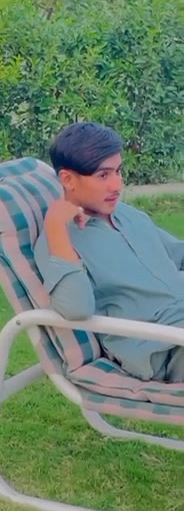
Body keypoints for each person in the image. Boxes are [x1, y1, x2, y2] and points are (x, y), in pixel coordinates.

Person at [34, 122, 184, 382]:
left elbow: (176, 254)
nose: (116, 185)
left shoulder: (128, 215)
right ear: (68, 179)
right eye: (103, 175)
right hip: (163, 347)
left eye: (118, 171)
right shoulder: (57, 242)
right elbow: (76, 309)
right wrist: (56, 225)